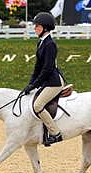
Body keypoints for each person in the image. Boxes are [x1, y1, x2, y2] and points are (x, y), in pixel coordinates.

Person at [24, 12, 66, 146]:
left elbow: (47, 69)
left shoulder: (50, 44)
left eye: (37, 26)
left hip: (54, 82)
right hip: (47, 81)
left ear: (45, 28)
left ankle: (55, 133)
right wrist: (30, 84)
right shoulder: (41, 43)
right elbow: (38, 67)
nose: (35, 28)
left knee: (37, 105)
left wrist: (35, 84)